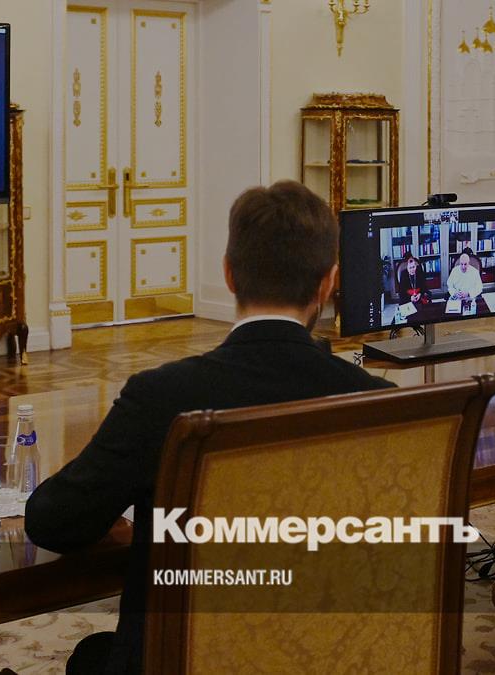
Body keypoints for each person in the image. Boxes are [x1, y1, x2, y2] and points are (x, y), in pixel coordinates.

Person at [25, 180, 395, 675]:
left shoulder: (162, 396)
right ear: (329, 283)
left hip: (187, 659)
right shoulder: (378, 401)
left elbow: (53, 521)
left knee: (91, 657)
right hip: (330, 654)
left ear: (229, 275)